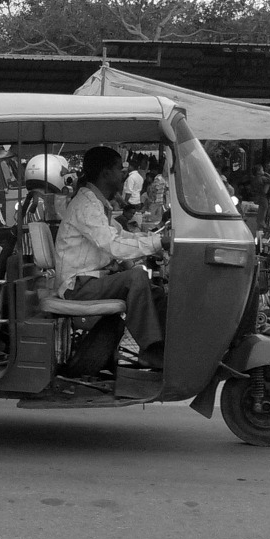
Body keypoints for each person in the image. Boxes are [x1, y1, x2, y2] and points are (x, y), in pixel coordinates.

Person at [54, 146, 166, 371]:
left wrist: (156, 240)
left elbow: (120, 235)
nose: (123, 174)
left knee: (158, 293)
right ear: (105, 172)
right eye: (119, 168)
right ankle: (149, 352)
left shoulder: (97, 204)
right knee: (136, 278)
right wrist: (157, 243)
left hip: (93, 281)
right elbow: (113, 244)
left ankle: (163, 349)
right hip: (78, 286)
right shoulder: (86, 205)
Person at [121, 155, 147, 228]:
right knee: (135, 221)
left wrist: (124, 203)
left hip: (130, 201)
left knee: (128, 222)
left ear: (131, 167)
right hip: (137, 200)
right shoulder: (140, 177)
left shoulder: (131, 177)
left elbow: (129, 192)